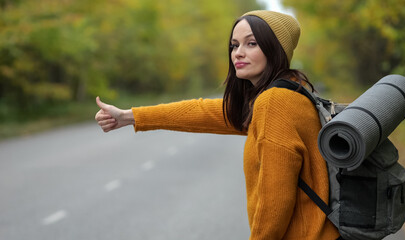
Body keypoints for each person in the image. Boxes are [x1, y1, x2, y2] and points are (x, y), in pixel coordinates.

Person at [95, 10, 340, 240]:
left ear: (275, 49)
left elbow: (274, 202)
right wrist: (130, 116)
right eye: (234, 45)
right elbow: (203, 111)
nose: (238, 53)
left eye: (251, 43)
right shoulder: (292, 92)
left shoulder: (273, 102)